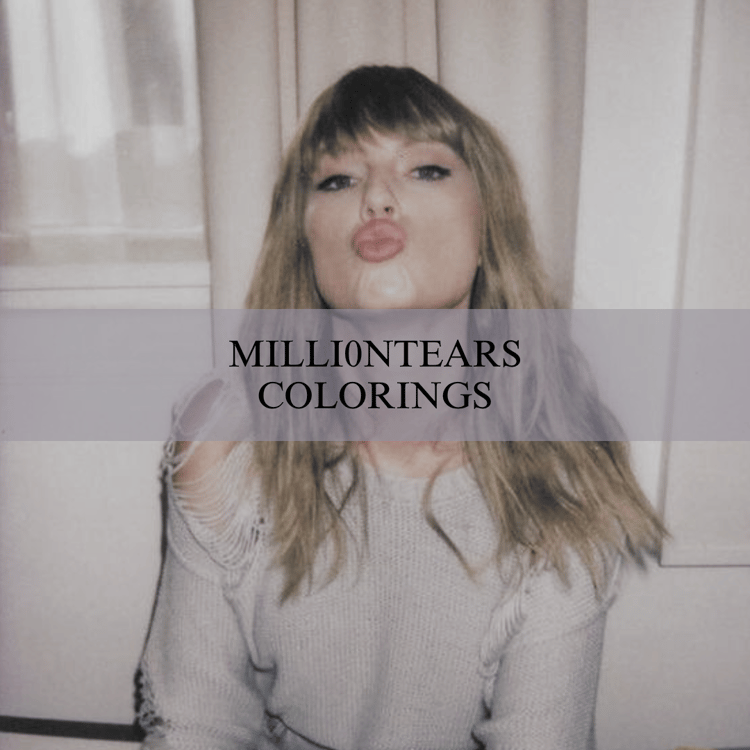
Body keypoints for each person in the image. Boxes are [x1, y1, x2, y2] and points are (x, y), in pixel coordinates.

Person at [137, 65, 665, 750]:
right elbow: (197, 719)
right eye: (338, 180)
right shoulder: (227, 438)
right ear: (306, 239)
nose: (377, 197)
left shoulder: (561, 468)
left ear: (488, 228)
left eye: (425, 169)